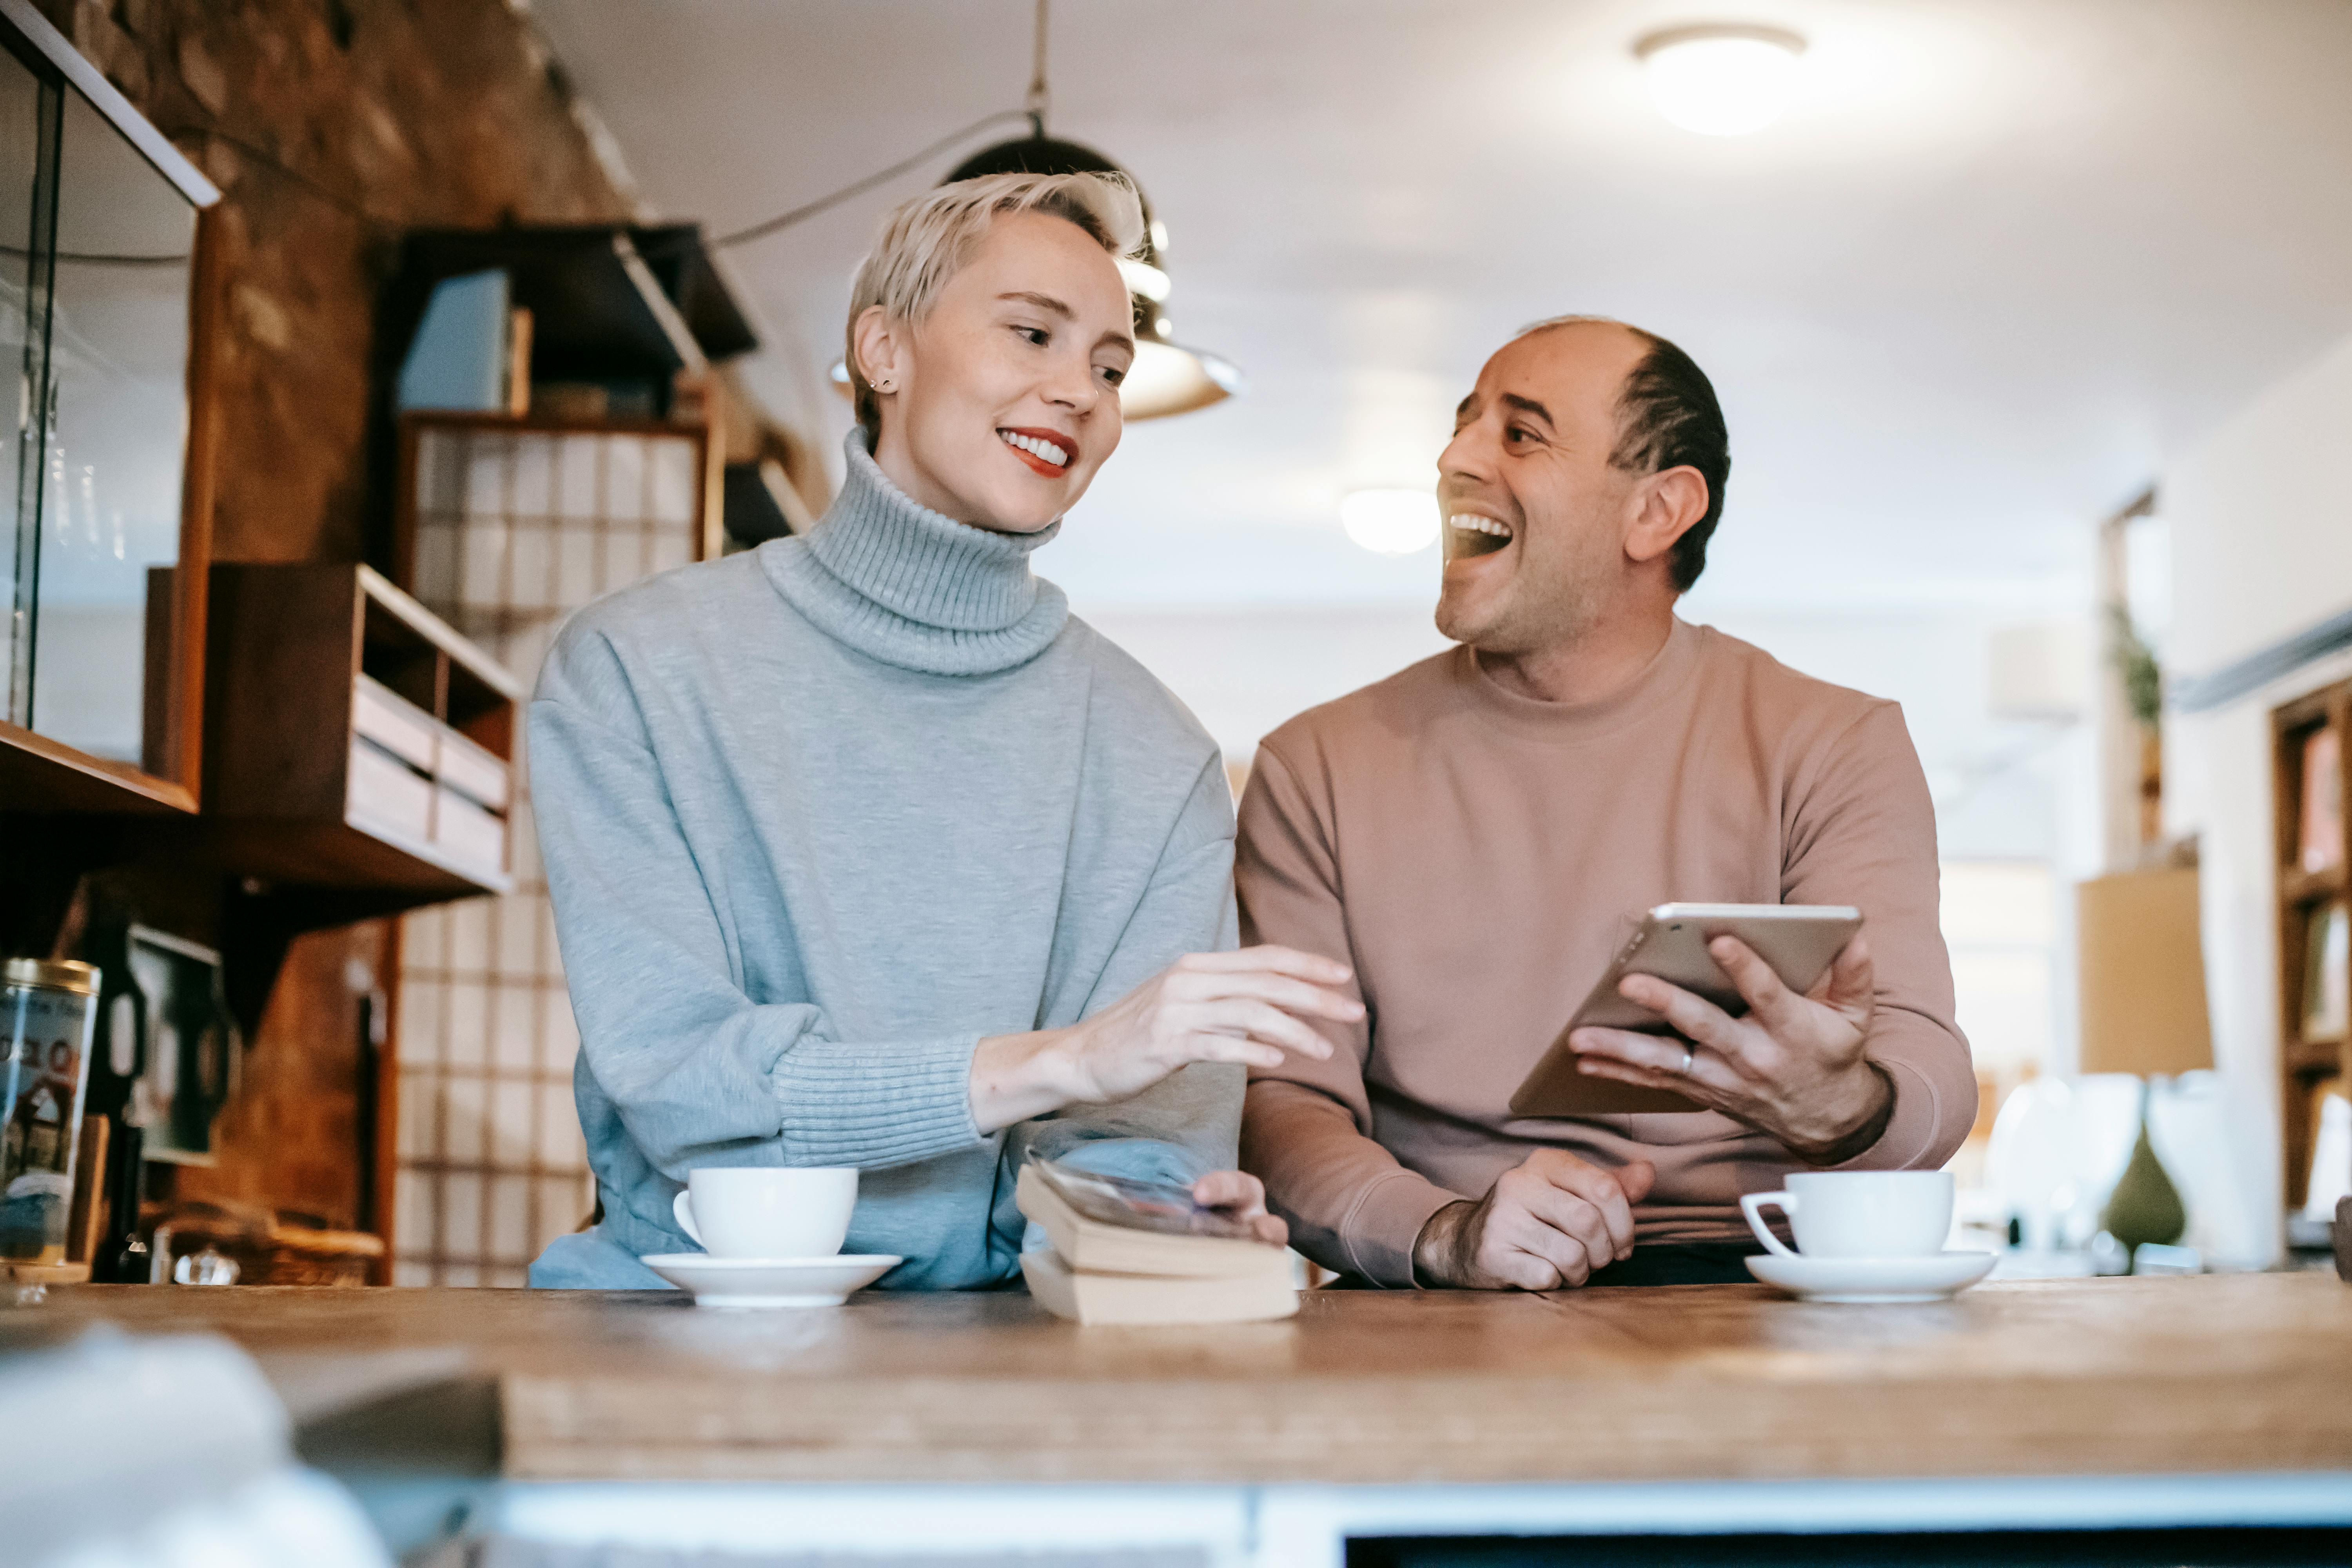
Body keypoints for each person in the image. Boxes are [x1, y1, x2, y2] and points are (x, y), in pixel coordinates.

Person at [528, 171, 1359, 1290]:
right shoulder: (636, 669)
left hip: (1010, 1363)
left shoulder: (1154, 754)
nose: (1082, 393)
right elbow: (686, 1088)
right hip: (669, 1338)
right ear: (884, 351)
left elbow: (1136, 1148)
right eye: (1033, 334)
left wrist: (1164, 1219)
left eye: (1111, 369)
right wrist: (1059, 1063)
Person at [1237, 316, 1976, 1290]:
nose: (1454, 457)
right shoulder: (1312, 765)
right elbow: (1281, 1105)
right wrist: (1448, 1232)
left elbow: (1924, 1071)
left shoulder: (1835, 741)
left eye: (1521, 432)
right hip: (1441, 1286)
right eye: (1464, 425)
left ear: (1658, 511)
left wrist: (1841, 1104)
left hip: (1760, 1286)